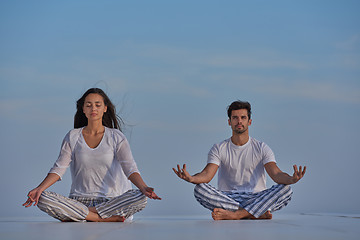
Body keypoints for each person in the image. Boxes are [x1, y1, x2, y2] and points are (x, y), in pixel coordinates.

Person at [23, 88, 161, 222]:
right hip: (79, 200)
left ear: (105, 108)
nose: (93, 108)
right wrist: (39, 188)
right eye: (88, 105)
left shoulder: (116, 137)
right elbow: (59, 169)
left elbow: (130, 168)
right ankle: (98, 218)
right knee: (42, 198)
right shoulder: (73, 136)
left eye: (97, 105)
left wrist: (143, 188)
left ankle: (82, 215)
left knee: (140, 197)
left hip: (111, 201)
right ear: (83, 109)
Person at [173, 100, 306, 220]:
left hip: (257, 197)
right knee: (199, 189)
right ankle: (255, 213)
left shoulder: (261, 147)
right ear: (229, 122)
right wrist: (191, 178)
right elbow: (207, 175)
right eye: (235, 118)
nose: (239, 121)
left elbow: (276, 174)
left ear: (249, 121)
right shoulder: (219, 148)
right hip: (228, 199)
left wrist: (291, 179)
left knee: (286, 189)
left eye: (243, 117)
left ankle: (237, 214)